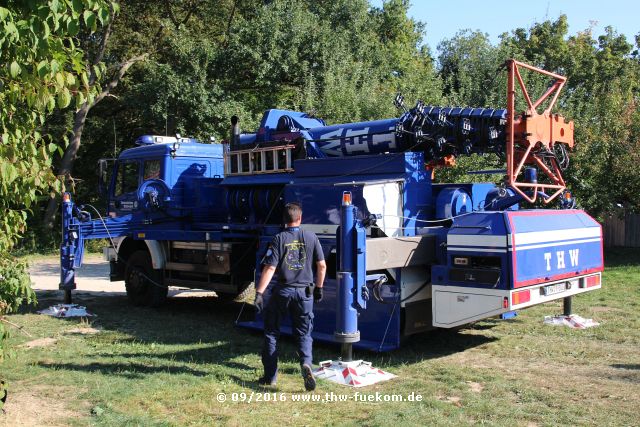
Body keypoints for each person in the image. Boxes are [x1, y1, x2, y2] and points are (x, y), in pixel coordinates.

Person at [254, 202, 326, 391]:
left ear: (284, 220)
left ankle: (270, 377)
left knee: (271, 332)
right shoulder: (311, 237)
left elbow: (270, 268)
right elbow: (322, 265)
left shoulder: (278, 239)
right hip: (305, 294)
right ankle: (307, 364)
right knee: (304, 333)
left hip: (283, 292)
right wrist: (319, 288)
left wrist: (259, 293)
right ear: (300, 218)